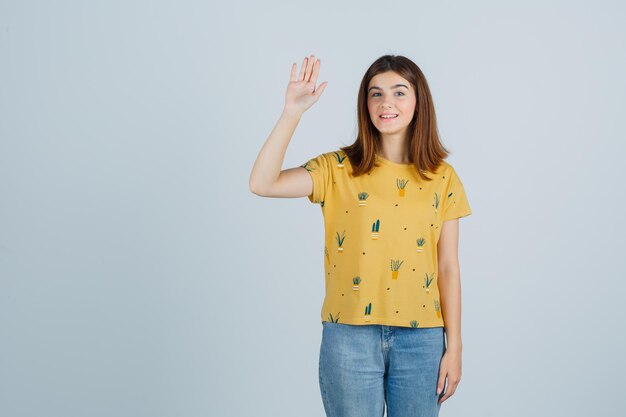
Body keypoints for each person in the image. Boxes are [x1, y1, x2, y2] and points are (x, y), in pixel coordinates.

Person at [249, 53, 472, 417]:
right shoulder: (337, 169)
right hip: (349, 336)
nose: (387, 103)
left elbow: (448, 267)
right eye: (375, 94)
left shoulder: (442, 177)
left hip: (422, 340)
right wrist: (292, 112)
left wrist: (456, 346)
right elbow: (262, 182)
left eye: (400, 92)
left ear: (419, 102)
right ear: (364, 104)